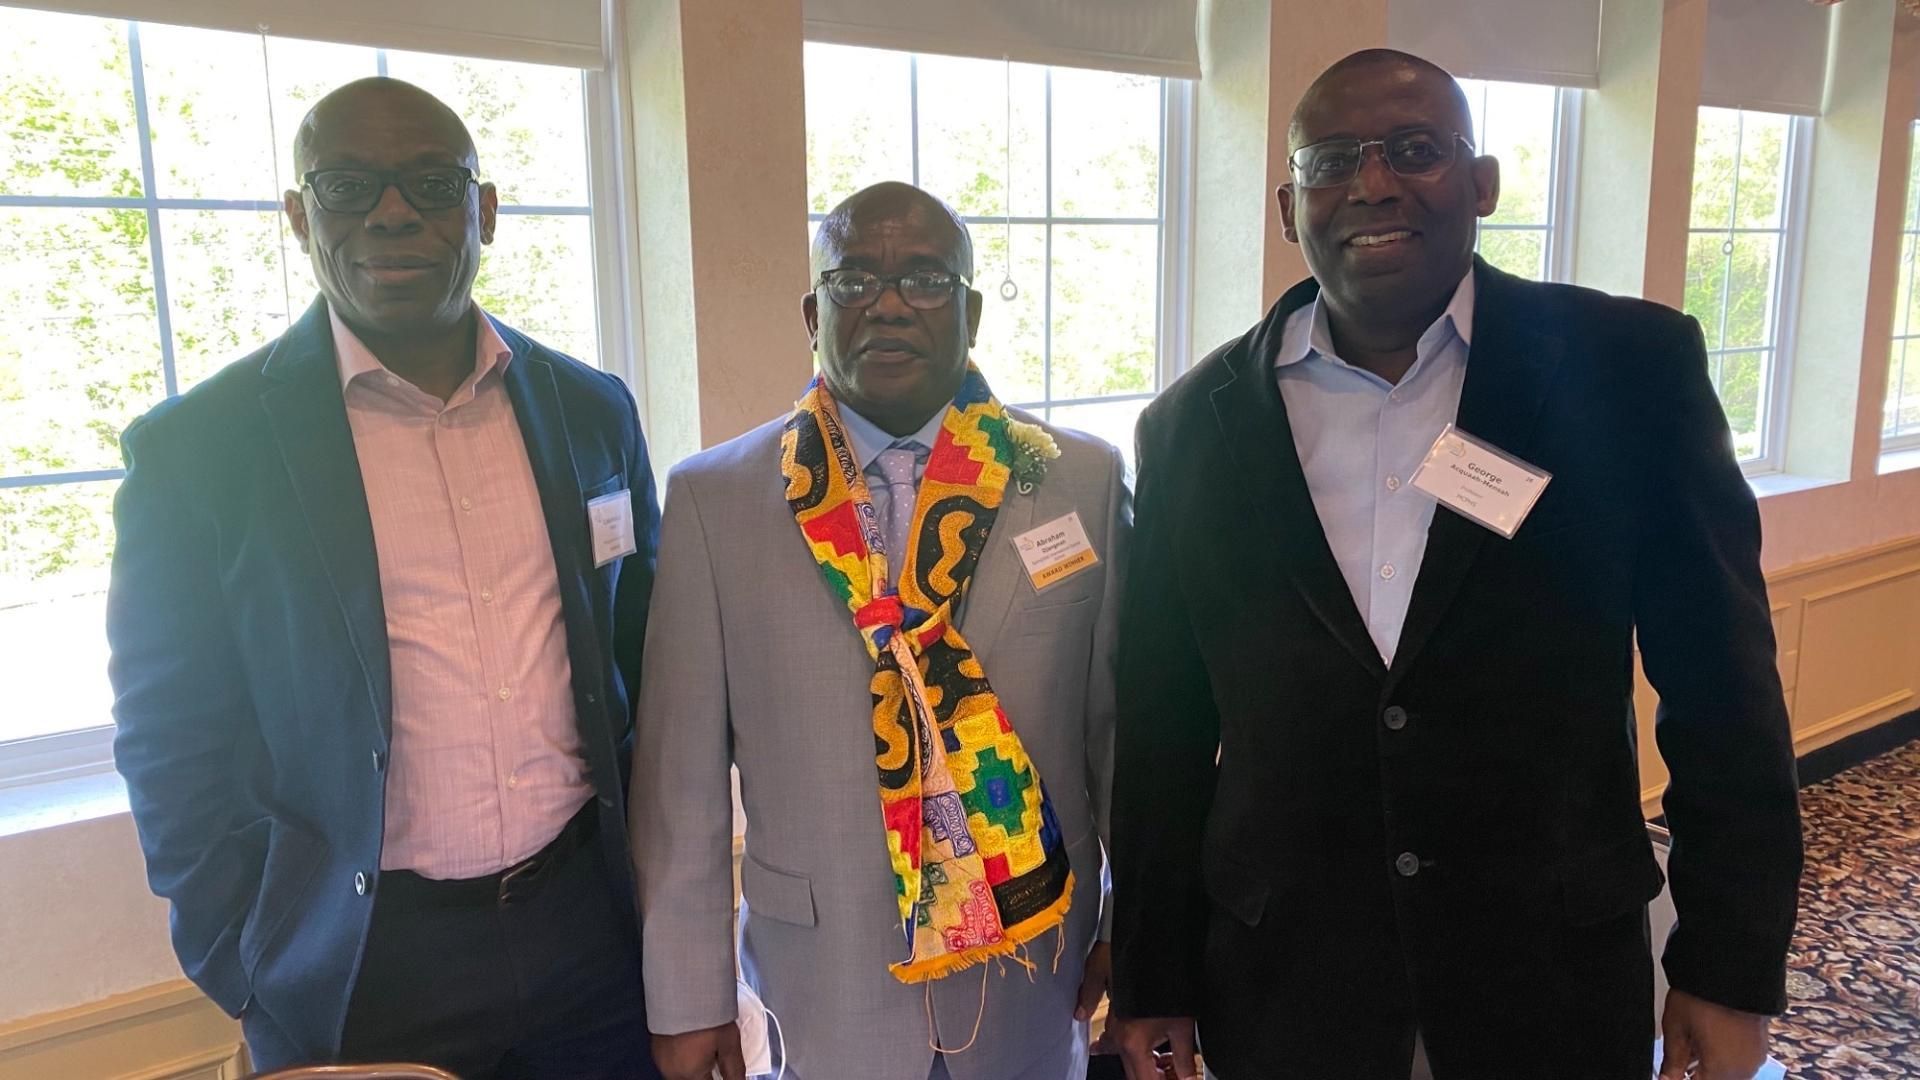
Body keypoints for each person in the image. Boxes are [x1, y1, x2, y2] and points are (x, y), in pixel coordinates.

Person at [1105, 49, 1802, 1080]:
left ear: (1482, 185)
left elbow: (1724, 693)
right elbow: (1163, 730)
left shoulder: (1627, 373)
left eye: (1416, 151)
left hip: (1549, 979)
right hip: (1291, 989)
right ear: (1291, 206)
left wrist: (1730, 968)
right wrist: (1153, 973)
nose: (1375, 182)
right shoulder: (1190, 430)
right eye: (1335, 160)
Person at [107, 77, 661, 1079]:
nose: (391, 212)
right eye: (349, 185)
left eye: (430, 183)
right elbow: (167, 733)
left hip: (589, 943)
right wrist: (244, 958)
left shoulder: (592, 412)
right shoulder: (199, 452)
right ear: (298, 216)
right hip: (359, 966)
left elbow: (645, 657)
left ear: (484, 211)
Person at [633, 181, 1127, 1080]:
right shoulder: (713, 498)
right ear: (812, 312)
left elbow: (1121, 739)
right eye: (853, 280)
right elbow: (681, 784)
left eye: (927, 280)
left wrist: (1140, 932)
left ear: (972, 310)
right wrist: (686, 996)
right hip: (820, 976)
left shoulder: (1076, 480)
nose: (888, 303)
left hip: (1032, 964)